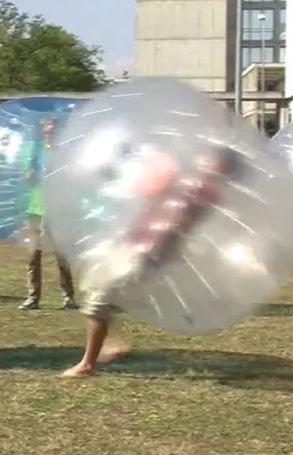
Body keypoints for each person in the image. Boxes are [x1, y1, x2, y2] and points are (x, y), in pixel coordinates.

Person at [62, 147, 246, 377]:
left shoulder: (204, 190)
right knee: (92, 286)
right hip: (134, 243)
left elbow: (174, 220)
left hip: (148, 252)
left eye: (210, 159)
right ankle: (112, 343)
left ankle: (87, 365)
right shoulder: (191, 185)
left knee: (100, 299)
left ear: (221, 168)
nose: (202, 158)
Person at [19, 117, 77, 310]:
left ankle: (68, 296)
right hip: (35, 210)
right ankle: (33, 297)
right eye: (46, 131)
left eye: (51, 131)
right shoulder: (35, 152)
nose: (48, 134)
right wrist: (30, 171)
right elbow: (27, 180)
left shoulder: (65, 154)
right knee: (33, 256)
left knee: (61, 256)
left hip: (56, 210)